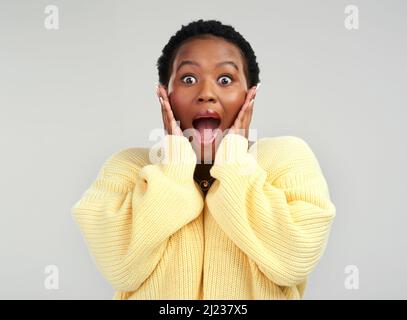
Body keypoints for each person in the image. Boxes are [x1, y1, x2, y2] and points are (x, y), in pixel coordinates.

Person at [71, 19, 336, 300]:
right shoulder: (127, 169)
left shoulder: (286, 158)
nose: (206, 94)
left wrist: (233, 159)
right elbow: (122, 269)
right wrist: (174, 165)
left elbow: (291, 264)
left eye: (225, 79)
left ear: (250, 94)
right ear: (165, 94)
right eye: (188, 79)